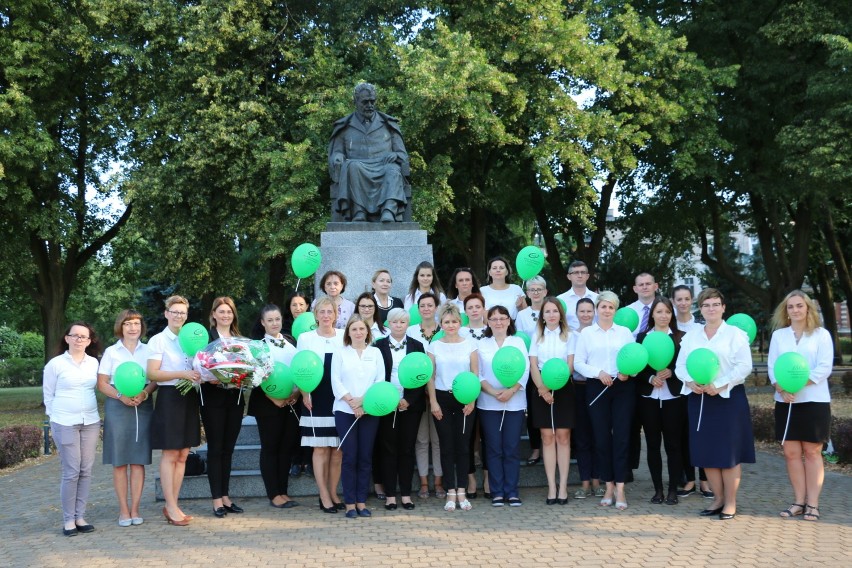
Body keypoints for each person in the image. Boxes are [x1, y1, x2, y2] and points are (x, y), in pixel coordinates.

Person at [675, 288, 755, 521]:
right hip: (699, 399)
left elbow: (744, 366)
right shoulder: (692, 336)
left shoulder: (735, 334)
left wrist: (720, 384)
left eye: (715, 304)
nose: (711, 308)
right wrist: (689, 382)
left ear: (723, 307)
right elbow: (681, 366)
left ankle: (730, 502)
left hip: (728, 399)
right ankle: (717, 499)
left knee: (728, 455)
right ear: (702, 309)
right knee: (706, 452)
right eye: (707, 305)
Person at [768, 290, 833, 522]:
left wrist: (797, 383)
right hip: (786, 401)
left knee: (813, 452)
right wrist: (782, 388)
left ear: (808, 308)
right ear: (786, 311)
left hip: (814, 400)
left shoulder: (821, 335)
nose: (795, 310)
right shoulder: (779, 336)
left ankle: (813, 504)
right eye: (790, 307)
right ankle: (798, 501)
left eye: (799, 306)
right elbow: (772, 366)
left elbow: (824, 367)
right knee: (791, 453)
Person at [573, 291, 636, 510]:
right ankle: (608, 485)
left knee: (621, 438)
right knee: (601, 439)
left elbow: (633, 357)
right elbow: (579, 363)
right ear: (597, 309)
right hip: (596, 387)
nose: (607, 310)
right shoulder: (587, 334)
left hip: (622, 387)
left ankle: (620, 488)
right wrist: (598, 372)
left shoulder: (625, 332)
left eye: (611, 307)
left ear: (615, 310)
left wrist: (628, 372)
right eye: (603, 307)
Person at [97, 310, 157, 527]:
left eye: (136, 323)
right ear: (120, 327)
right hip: (118, 404)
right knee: (120, 461)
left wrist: (145, 393)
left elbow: (155, 378)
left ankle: (135, 509)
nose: (133, 328)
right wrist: (121, 396)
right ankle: (123, 510)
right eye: (128, 324)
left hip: (142, 404)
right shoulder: (111, 352)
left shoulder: (150, 350)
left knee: (138, 459)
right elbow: (102, 383)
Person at [43, 321, 102, 537]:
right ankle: (68, 520)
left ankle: (80, 516)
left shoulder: (94, 364)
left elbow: (105, 385)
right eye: (74, 335)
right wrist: (54, 417)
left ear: (89, 341)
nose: (79, 339)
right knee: (71, 471)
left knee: (85, 470)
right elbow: (48, 395)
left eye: (83, 337)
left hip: (90, 422)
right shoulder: (55, 364)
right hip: (64, 422)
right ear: (66, 338)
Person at [148, 295, 201, 526]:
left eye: (183, 312)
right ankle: (169, 506)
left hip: (189, 395)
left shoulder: (192, 338)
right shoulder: (158, 341)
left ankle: (174, 504)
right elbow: (153, 374)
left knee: (183, 454)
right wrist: (182, 374)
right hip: (170, 397)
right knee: (170, 454)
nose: (179, 315)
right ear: (166, 313)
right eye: (175, 311)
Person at [328, 82, 410, 222]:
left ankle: (388, 210)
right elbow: (337, 152)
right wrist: (337, 157)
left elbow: (402, 154)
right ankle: (359, 212)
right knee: (351, 167)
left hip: (384, 165)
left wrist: (395, 154)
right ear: (356, 101)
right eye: (365, 102)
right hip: (358, 166)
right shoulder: (345, 126)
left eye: (372, 101)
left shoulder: (388, 124)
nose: (370, 105)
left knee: (393, 170)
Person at [247, 304, 301, 509]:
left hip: (291, 403)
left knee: (286, 449)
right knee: (270, 448)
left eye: (277, 319)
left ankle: (283, 491)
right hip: (267, 404)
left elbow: (298, 372)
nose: (274, 323)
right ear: (262, 323)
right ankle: (273, 494)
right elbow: (255, 376)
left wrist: (295, 393)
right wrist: (274, 398)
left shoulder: (290, 344)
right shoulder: (258, 346)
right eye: (269, 320)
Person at [332, 315, 385, 518]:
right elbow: (335, 380)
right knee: (350, 456)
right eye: (354, 329)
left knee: (365, 457)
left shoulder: (376, 352)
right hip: (345, 410)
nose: (358, 332)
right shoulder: (340, 353)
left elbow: (380, 380)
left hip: (370, 410)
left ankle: (361, 502)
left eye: (362, 329)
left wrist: (363, 401)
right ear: (348, 333)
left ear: (367, 331)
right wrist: (352, 402)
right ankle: (349, 504)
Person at [477, 305, 530, 507]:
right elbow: (478, 373)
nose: (498, 322)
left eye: (502, 318)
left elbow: (524, 369)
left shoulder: (517, 342)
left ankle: (512, 492)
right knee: (493, 449)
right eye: (494, 318)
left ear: (509, 320)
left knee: (511, 448)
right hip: (489, 403)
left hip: (514, 403)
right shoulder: (482, 344)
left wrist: (512, 390)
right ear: (488, 322)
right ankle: (497, 492)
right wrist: (492, 392)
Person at [374, 308, 427, 511]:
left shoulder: (417, 346)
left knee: (406, 449)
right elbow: (377, 375)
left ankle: (405, 494)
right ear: (388, 324)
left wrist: (408, 400)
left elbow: (422, 377)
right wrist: (391, 399)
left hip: (409, 407)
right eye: (394, 322)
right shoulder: (378, 346)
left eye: (402, 322)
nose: (398, 325)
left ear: (407, 324)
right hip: (386, 405)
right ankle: (390, 495)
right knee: (388, 450)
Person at [428, 303, 479, 511]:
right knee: (446, 446)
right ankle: (450, 490)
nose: (451, 325)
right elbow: (430, 376)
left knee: (463, 446)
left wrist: (472, 400)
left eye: (454, 321)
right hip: (442, 398)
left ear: (460, 322)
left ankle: (462, 490)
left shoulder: (470, 344)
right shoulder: (434, 345)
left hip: (465, 399)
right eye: (447, 322)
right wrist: (433, 402)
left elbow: (475, 374)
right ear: (441, 323)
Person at [297, 296, 345, 513]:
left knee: (337, 449)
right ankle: (323, 495)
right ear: (315, 315)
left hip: (339, 397)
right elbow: (301, 368)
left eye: (330, 312)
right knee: (320, 448)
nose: (326, 316)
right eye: (322, 312)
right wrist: (305, 392)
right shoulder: (306, 338)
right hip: (315, 397)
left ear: (336, 315)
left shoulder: (344, 336)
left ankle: (334, 492)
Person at [635, 298, 685, 505]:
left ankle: (673, 489)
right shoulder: (641, 338)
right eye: (659, 311)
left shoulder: (681, 338)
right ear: (652, 314)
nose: (663, 315)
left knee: (674, 445)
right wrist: (649, 377)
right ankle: (658, 490)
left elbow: (686, 367)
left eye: (667, 312)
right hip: (649, 398)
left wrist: (671, 372)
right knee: (653, 445)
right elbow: (636, 367)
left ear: (671, 315)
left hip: (673, 398)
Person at [200, 297, 246, 518]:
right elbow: (199, 367)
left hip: (235, 400)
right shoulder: (206, 339)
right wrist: (213, 377)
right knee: (215, 449)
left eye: (229, 311)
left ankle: (226, 496)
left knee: (228, 449)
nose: (226, 315)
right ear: (214, 315)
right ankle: (216, 499)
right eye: (221, 311)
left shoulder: (240, 340)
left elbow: (246, 368)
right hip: (213, 400)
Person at [527, 297, 575, 505]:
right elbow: (532, 364)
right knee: (547, 437)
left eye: (555, 311)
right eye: (547, 311)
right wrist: (542, 388)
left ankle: (563, 486)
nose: (552, 314)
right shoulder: (537, 335)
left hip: (564, 388)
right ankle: (551, 487)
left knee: (563, 436)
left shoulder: (570, 335)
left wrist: (555, 384)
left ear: (560, 314)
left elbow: (571, 365)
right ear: (543, 315)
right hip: (541, 389)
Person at [671, 285, 711, 498]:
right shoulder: (669, 326)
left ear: (692, 300)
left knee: (700, 434)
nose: (683, 303)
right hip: (677, 388)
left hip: (699, 388)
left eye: (687, 298)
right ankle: (688, 479)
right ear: (673, 301)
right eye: (679, 299)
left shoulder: (699, 328)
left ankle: (705, 480)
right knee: (683, 436)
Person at [571, 298, 603, 499]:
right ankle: (584, 483)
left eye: (589, 311)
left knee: (597, 435)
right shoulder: (571, 336)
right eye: (582, 311)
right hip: (577, 389)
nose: (585, 314)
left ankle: (597, 482)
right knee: (582, 437)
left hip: (597, 388)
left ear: (595, 312)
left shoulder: (598, 335)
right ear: (576, 314)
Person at [515, 277, 548, 466]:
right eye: (532, 289)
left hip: (550, 367)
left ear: (545, 291)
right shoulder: (522, 315)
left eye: (539, 289)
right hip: (530, 367)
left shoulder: (552, 310)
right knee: (534, 410)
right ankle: (536, 448)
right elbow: (520, 340)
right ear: (527, 293)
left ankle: (550, 446)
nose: (535, 292)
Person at [461, 292, 489, 498]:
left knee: (488, 437)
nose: (474, 310)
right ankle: (470, 479)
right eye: (470, 307)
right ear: (465, 311)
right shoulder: (459, 332)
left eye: (477, 306)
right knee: (468, 438)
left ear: (483, 309)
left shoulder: (493, 329)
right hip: (466, 392)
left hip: (490, 392)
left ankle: (488, 479)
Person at [283, 291, 313, 477]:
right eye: (294, 305)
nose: (298, 308)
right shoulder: (284, 330)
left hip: (311, 382)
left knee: (309, 424)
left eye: (301, 304)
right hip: (290, 384)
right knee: (294, 425)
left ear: (308, 306)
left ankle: (309, 461)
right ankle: (296, 460)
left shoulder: (313, 328)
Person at [479, 256, 526, 320]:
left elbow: (525, 314)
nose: (498, 270)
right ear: (489, 272)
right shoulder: (482, 291)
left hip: (513, 328)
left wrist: (520, 307)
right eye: (494, 268)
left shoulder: (516, 289)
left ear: (507, 272)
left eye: (501, 268)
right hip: (489, 327)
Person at [557, 261, 598, 331]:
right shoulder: (560, 300)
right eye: (576, 273)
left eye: (583, 272)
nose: (580, 275)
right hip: (569, 340)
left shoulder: (598, 298)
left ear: (587, 276)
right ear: (569, 277)